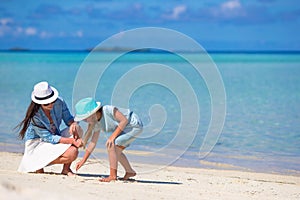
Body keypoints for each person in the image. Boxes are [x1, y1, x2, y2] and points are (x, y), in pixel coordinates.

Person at [16, 81, 83, 176]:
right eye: (46, 103)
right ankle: (37, 162)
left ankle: (66, 169)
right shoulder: (35, 115)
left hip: (54, 137)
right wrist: (72, 141)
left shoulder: (60, 102)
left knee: (77, 129)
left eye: (53, 100)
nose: (51, 104)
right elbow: (48, 138)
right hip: (38, 142)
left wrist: (73, 125)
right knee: (72, 152)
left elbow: (68, 119)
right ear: (39, 103)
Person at [74, 97, 143, 182]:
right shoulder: (96, 123)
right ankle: (129, 171)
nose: (85, 121)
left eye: (85, 118)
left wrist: (112, 136)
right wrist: (83, 160)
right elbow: (93, 143)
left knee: (112, 145)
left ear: (93, 113)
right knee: (116, 150)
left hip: (134, 125)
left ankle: (112, 176)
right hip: (125, 128)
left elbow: (124, 121)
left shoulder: (108, 109)